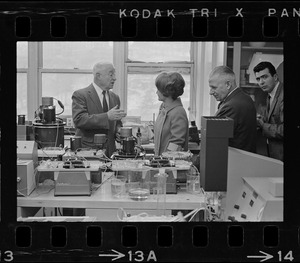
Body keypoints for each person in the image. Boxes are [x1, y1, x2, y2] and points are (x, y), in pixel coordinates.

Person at [72, 62, 126, 157]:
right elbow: (79, 120)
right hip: (88, 152)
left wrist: (118, 130)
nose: (114, 78)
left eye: (114, 74)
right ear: (98, 76)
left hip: (110, 152)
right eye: (111, 74)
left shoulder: (115, 98)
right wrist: (106, 116)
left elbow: (116, 122)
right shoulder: (80, 95)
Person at [208, 66, 257, 153]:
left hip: (233, 161)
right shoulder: (245, 98)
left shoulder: (231, 106)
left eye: (214, 87)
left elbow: (215, 142)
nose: (210, 92)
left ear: (228, 84)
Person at [253, 61, 283, 161]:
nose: (261, 82)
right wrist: (262, 119)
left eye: (264, 77)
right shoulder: (270, 94)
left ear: (275, 77)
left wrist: (263, 125)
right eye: (258, 79)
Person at [153, 71, 189, 156]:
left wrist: (165, 159)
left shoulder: (178, 112)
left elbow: (177, 142)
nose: (156, 92)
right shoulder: (163, 108)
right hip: (161, 162)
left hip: (170, 163)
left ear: (166, 91)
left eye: (158, 89)